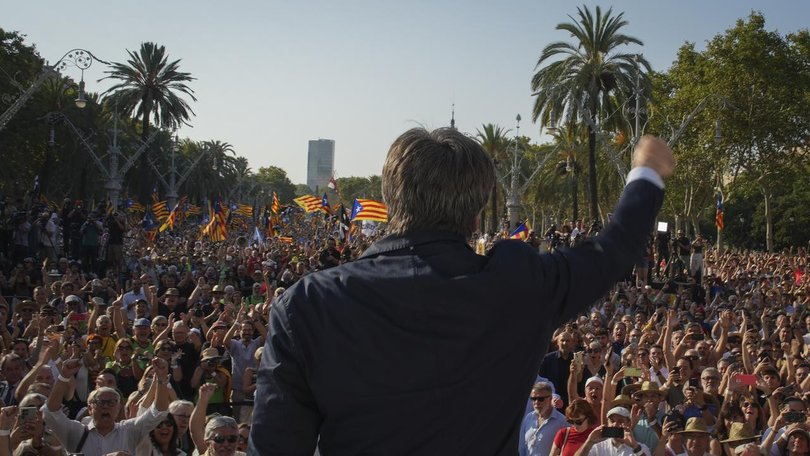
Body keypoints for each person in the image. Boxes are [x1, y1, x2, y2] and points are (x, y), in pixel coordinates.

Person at [249, 130, 673, 454]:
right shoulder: (518, 283)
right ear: (475, 215)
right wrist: (647, 171)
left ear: (390, 199)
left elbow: (275, 446)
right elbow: (612, 251)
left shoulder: (306, 304)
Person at [575, 406, 651, 455]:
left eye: (620, 421)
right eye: (612, 421)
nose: (615, 424)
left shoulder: (641, 448)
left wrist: (635, 447)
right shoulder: (598, 446)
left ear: (628, 423)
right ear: (607, 423)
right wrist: (589, 442)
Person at [519, 381, 567, 456]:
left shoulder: (562, 422)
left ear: (550, 398)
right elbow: (522, 446)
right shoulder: (528, 418)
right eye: (533, 399)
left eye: (540, 399)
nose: (536, 402)